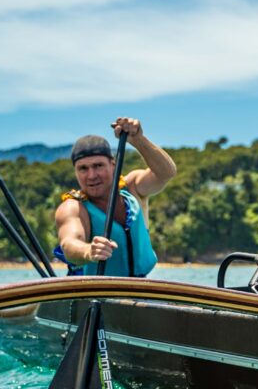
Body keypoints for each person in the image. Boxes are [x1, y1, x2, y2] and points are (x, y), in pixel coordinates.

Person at [55, 117, 177, 276]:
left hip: (140, 288)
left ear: (113, 165)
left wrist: (138, 140)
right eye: (83, 169)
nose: (91, 175)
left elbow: (166, 173)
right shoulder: (73, 207)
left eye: (98, 166)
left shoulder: (132, 187)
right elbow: (69, 244)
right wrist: (89, 251)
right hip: (93, 294)